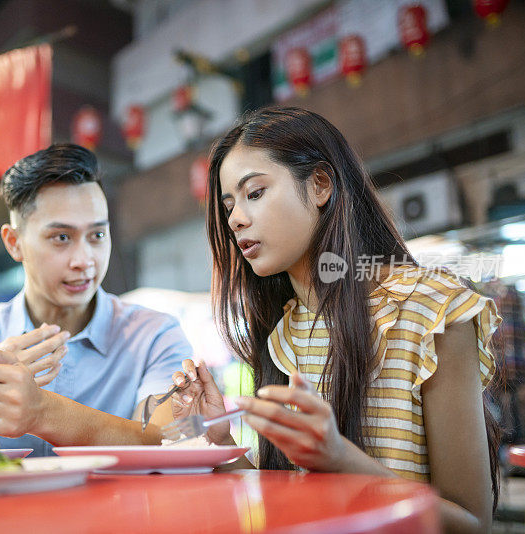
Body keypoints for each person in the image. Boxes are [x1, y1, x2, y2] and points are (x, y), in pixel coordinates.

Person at [171, 107, 501, 533]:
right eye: (228, 204)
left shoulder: (432, 311)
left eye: (254, 193)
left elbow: (472, 521)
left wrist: (341, 459)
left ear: (321, 184)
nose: (234, 219)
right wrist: (221, 446)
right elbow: (290, 497)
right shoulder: (283, 334)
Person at [0, 144, 192, 456]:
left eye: (97, 236)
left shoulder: (154, 336)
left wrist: (43, 412)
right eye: (62, 238)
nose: (84, 260)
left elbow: (165, 442)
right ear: (14, 243)